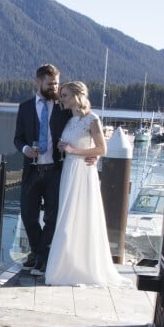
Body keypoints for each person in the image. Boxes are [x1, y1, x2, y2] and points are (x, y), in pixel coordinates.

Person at [44, 81, 130, 287]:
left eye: (65, 95)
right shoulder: (71, 120)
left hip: (82, 173)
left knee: (80, 216)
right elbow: (72, 143)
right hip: (69, 171)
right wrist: (63, 146)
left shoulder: (92, 119)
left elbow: (102, 149)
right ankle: (65, 266)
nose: (61, 98)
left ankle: (80, 269)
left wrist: (74, 151)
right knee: (67, 218)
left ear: (76, 96)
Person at [13, 64, 71, 275]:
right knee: (28, 216)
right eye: (50, 83)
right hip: (32, 171)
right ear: (38, 82)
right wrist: (26, 149)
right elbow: (17, 139)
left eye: (56, 83)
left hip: (55, 170)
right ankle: (40, 255)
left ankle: (41, 258)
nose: (54, 87)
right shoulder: (25, 107)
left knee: (51, 218)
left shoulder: (64, 108)